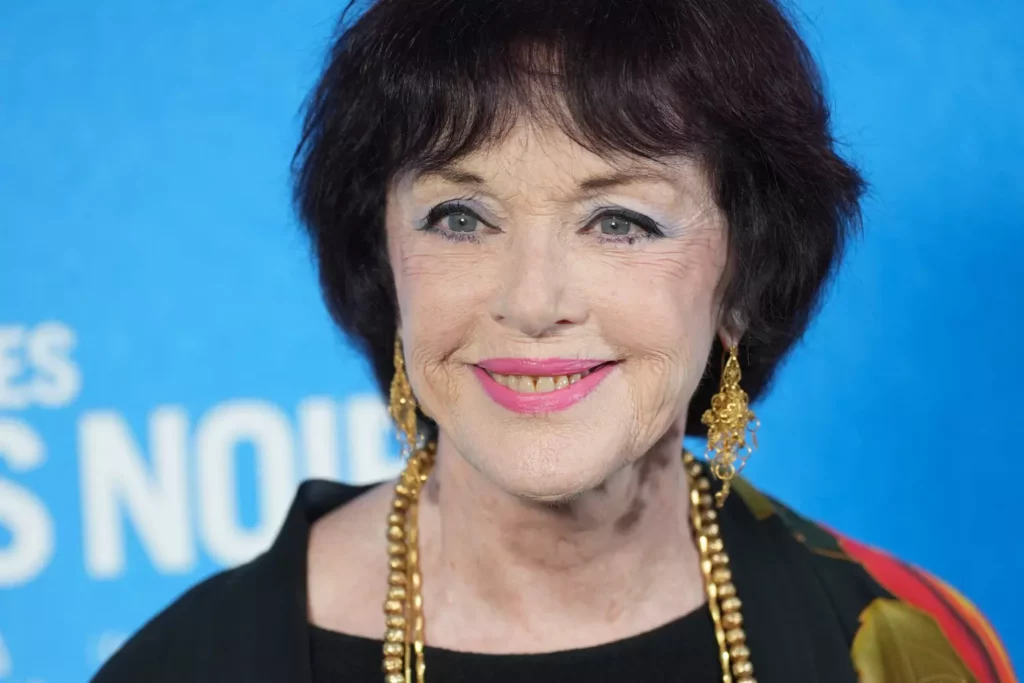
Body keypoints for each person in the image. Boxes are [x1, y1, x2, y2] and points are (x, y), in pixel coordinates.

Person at [93, 0, 1016, 681]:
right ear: (384, 261)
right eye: (459, 216)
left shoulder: (917, 644)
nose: (533, 302)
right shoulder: (186, 665)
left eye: (620, 221)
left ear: (743, 280)